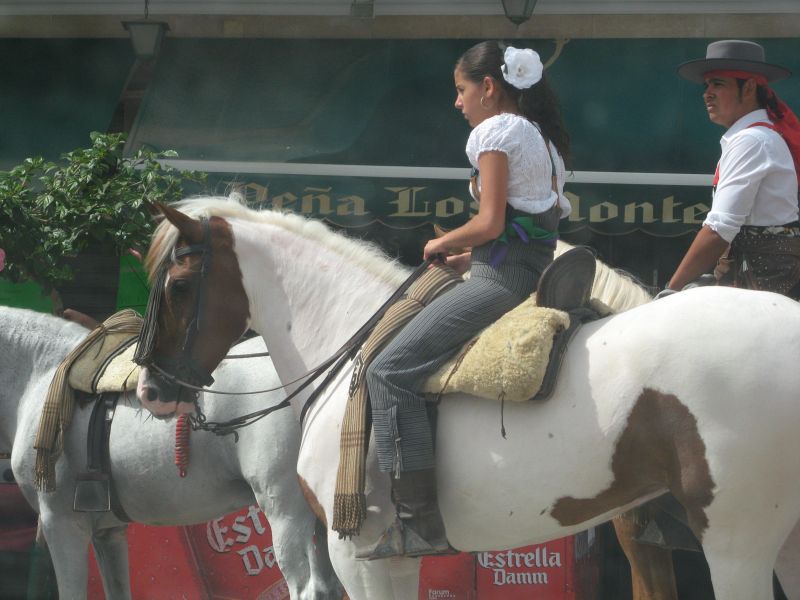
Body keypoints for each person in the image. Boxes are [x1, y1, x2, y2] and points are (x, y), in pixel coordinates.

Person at [359, 40, 572, 560]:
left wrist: (442, 242)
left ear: (489, 88)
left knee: (385, 371)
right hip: (513, 268)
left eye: (461, 90)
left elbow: (491, 221)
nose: (458, 102)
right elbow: (518, 226)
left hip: (503, 281)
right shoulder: (542, 140)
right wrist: (466, 259)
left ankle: (417, 526)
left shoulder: (495, 130)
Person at [663, 40, 800, 298]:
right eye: (707, 85)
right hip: (756, 274)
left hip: (762, 281)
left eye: (718, 84)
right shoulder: (753, 137)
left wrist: (671, 289)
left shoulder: (752, 140)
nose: (707, 93)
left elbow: (719, 229)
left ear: (748, 87)